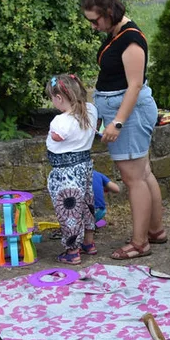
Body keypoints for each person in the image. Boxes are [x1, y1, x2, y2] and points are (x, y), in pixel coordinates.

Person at [81, 0, 164, 260]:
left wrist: (116, 122)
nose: (94, 27)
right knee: (144, 173)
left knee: (133, 179)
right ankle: (155, 230)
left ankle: (140, 243)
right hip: (126, 112)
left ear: (109, 13)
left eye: (95, 21)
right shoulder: (116, 34)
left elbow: (135, 86)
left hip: (129, 115)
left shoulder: (131, 41)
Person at [44, 73, 99, 264]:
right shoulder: (91, 110)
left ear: (59, 98)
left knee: (69, 210)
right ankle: (89, 243)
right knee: (86, 204)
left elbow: (57, 137)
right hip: (84, 166)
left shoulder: (60, 121)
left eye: (52, 98)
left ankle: (72, 252)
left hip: (64, 172)